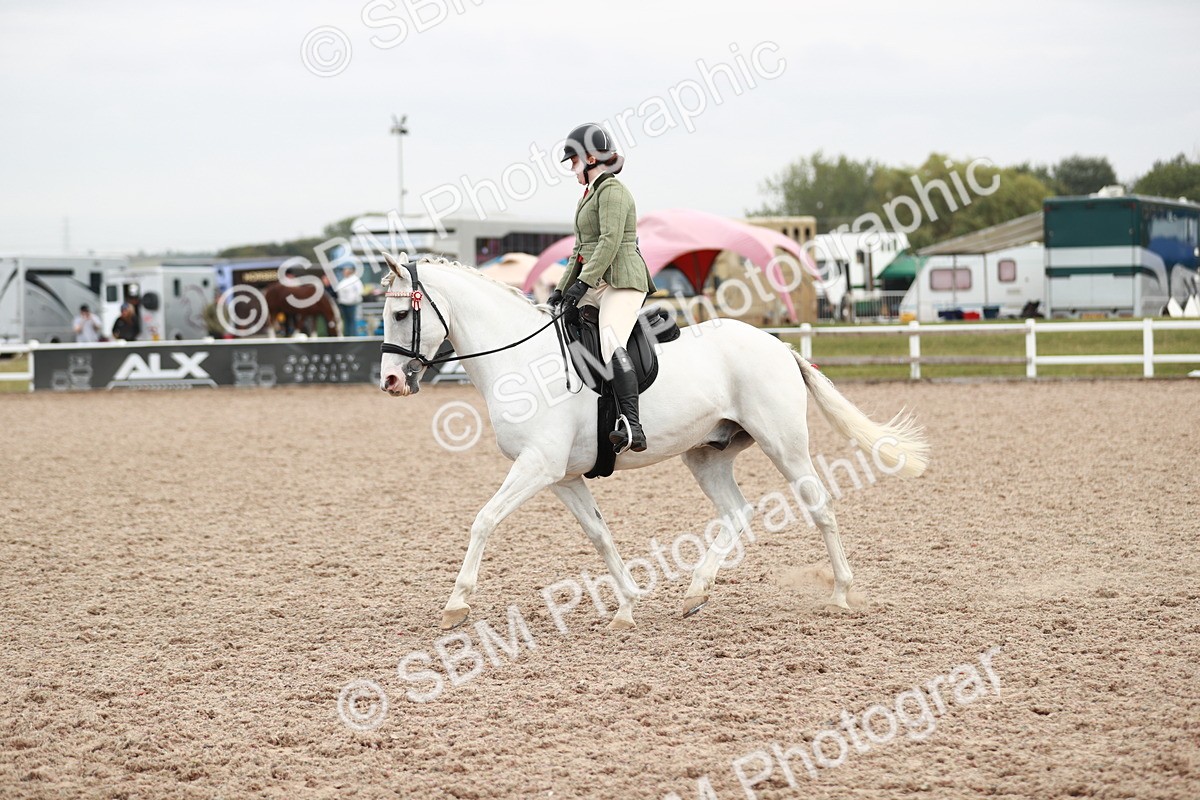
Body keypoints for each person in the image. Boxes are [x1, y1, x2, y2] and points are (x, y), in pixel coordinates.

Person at [549, 122, 656, 453]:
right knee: (561, 328)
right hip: (596, 281)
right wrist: (560, 289)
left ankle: (632, 426)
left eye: (574, 162)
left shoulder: (613, 192)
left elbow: (609, 242)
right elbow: (579, 250)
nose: (572, 169)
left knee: (610, 341)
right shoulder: (589, 195)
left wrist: (582, 285)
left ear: (591, 158)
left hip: (622, 280)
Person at [336, 264, 364, 337]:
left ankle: (353, 335)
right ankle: (347, 335)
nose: (343, 272)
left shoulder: (355, 280)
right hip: (343, 303)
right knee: (346, 321)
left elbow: (359, 291)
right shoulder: (344, 280)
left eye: (345, 270)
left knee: (352, 320)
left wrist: (353, 300)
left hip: (351, 304)